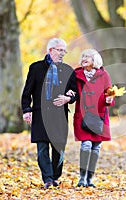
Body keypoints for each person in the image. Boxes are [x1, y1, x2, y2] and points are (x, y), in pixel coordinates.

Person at [21, 38, 77, 189]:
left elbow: (75, 92)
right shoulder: (35, 68)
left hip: (59, 116)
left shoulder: (67, 70)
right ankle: (48, 179)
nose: (62, 54)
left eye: (64, 51)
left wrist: (68, 98)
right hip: (40, 115)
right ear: (50, 50)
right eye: (60, 50)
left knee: (59, 149)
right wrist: (26, 110)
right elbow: (27, 92)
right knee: (42, 149)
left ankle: (54, 175)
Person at [68, 49, 114, 187]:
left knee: (96, 147)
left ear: (95, 60)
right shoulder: (76, 75)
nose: (84, 58)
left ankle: (90, 179)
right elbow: (71, 91)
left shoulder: (104, 75)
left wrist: (109, 99)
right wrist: (69, 93)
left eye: (87, 56)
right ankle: (82, 178)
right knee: (86, 144)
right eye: (83, 56)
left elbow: (109, 93)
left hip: (99, 116)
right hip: (82, 116)